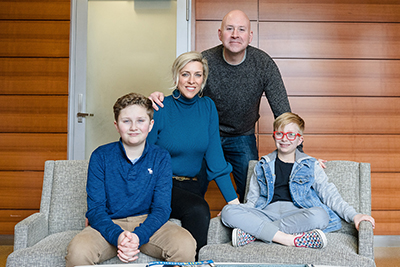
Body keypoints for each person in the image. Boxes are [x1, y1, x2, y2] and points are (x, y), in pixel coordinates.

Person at [149, 10, 296, 202]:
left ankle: (244, 226)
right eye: (229, 29)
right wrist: (158, 98)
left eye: (241, 30)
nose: (235, 34)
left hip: (242, 135)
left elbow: (283, 112)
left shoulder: (263, 64)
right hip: (204, 134)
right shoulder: (205, 61)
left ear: (250, 36)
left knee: (251, 190)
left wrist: (298, 154)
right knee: (194, 192)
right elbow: (187, 92)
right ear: (220, 34)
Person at [65, 93, 196, 266]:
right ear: (117, 126)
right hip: (109, 225)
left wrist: (138, 236)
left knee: (185, 244)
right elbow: (95, 210)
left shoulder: (161, 157)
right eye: (126, 121)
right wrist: (118, 236)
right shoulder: (100, 156)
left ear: (150, 125)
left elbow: (162, 208)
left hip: (149, 223)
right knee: (78, 252)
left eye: (140, 121)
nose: (134, 127)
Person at [220, 112, 375, 249]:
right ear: (274, 136)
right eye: (280, 134)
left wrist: (355, 215)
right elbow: (252, 201)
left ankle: (255, 234)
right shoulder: (262, 165)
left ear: (300, 140)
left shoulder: (310, 165)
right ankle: (289, 239)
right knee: (228, 211)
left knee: (320, 215)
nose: (285, 139)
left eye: (291, 135)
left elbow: (330, 195)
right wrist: (241, 213)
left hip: (297, 214)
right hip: (267, 213)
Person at [147, 51, 240, 257]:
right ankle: (195, 262)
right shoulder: (161, 107)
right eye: (185, 74)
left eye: (197, 75)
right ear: (176, 77)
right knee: (198, 209)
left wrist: (235, 204)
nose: (191, 81)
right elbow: (144, 155)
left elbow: (215, 159)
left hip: (192, 186)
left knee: (198, 208)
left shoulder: (207, 108)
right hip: (161, 185)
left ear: (203, 79)